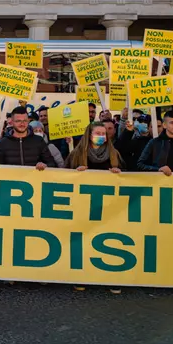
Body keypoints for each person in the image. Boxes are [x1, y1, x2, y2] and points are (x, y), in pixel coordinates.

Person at [65, 121, 125, 294]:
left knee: (109, 240)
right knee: (84, 239)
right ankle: (82, 276)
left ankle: (111, 277)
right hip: (83, 206)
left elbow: (127, 174)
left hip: (109, 206)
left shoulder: (114, 153)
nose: (101, 136)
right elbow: (63, 174)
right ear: (88, 135)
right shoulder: (77, 153)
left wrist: (118, 171)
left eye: (103, 133)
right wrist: (75, 172)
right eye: (97, 133)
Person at [0, 107, 56, 172]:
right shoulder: (2, 143)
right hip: (10, 182)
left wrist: (45, 165)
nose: (22, 124)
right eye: (18, 121)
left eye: (25, 121)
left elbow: (52, 163)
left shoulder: (38, 141)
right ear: (12, 122)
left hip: (34, 182)